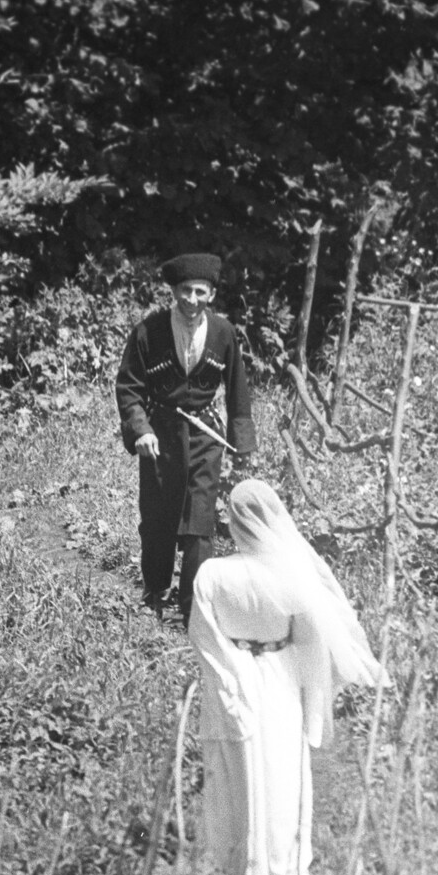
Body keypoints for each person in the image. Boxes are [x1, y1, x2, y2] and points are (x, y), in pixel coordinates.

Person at [188, 479, 386, 875]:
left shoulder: (213, 574)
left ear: (236, 521)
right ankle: (286, 866)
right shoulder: (293, 579)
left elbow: (204, 637)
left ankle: (238, 869)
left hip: (235, 678)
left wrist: (231, 679)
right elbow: (309, 642)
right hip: (281, 681)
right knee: (282, 774)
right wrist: (308, 693)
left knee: (237, 775)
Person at [115, 252, 257, 625]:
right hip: (160, 436)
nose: (191, 301)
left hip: (206, 435)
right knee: (159, 515)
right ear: (173, 292)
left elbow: (237, 390)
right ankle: (155, 589)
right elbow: (129, 387)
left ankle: (191, 606)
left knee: (200, 520)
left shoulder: (224, 333)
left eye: (199, 292)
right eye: (184, 292)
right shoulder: (149, 331)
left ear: (210, 294)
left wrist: (242, 443)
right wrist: (141, 430)